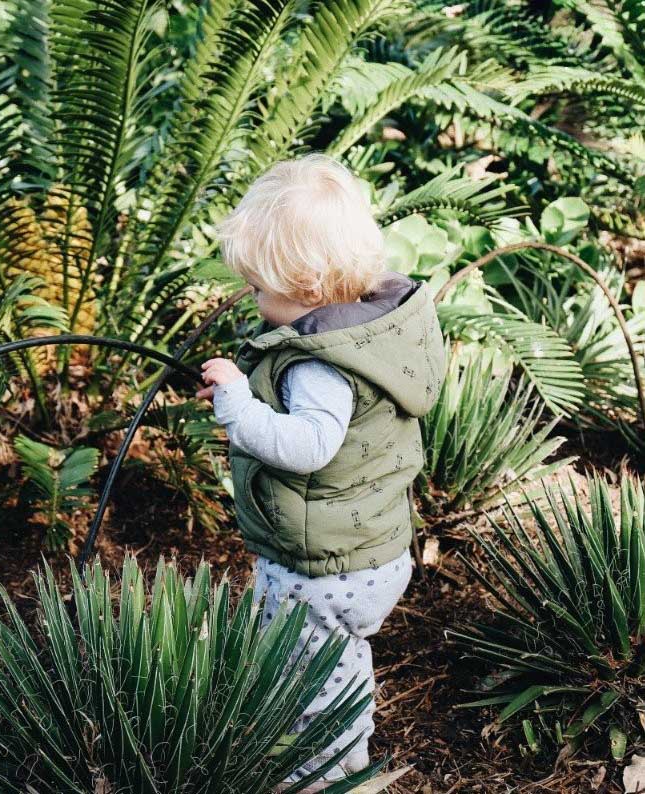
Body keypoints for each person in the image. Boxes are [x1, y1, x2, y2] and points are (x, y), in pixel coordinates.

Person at [196, 152, 445, 792]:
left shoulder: (318, 365)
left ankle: (326, 775)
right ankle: (321, 748)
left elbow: (309, 446)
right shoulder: (372, 334)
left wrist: (238, 404)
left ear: (305, 287)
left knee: (318, 681)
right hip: (369, 547)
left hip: (325, 567)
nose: (254, 299)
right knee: (332, 661)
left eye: (260, 288)